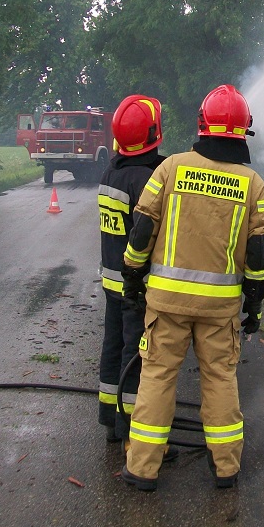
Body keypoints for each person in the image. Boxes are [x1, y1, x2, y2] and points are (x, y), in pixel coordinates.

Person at [120, 84, 264, 493]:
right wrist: (254, 306)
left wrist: (132, 279)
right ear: (245, 130)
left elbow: (142, 231)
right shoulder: (253, 184)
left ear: (202, 124)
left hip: (166, 303)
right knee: (220, 379)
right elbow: (257, 256)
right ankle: (226, 468)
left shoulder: (169, 169)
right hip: (220, 310)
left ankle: (142, 469)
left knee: (156, 378)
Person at [97, 93, 169, 448]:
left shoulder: (113, 170)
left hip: (111, 278)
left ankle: (110, 419)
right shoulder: (146, 181)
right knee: (135, 355)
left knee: (112, 347)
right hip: (135, 283)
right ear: (153, 132)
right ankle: (132, 430)